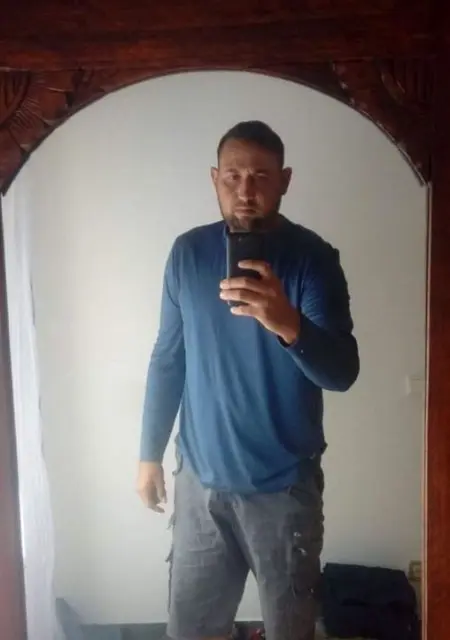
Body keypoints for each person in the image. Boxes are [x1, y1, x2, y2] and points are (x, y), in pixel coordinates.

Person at [137, 120, 359, 640]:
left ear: (285, 181)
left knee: (289, 630)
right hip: (200, 485)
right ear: (214, 178)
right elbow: (168, 359)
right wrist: (149, 455)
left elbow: (342, 373)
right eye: (233, 176)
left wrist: (287, 323)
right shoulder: (188, 254)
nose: (245, 191)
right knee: (191, 631)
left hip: (283, 489)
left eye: (260, 176)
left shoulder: (313, 260)